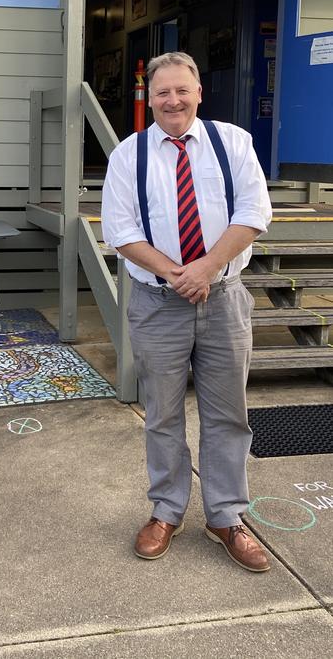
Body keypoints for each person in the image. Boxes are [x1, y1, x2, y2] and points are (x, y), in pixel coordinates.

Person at [101, 52, 273, 573]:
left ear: (199, 92)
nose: (172, 100)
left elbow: (254, 213)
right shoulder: (128, 154)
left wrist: (206, 269)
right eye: (162, 92)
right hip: (157, 302)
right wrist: (179, 273)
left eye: (182, 90)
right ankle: (166, 510)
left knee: (228, 414)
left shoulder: (233, 142)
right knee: (163, 414)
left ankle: (226, 517)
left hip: (223, 299)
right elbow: (120, 230)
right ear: (148, 97)